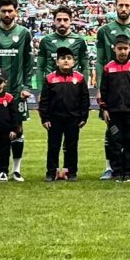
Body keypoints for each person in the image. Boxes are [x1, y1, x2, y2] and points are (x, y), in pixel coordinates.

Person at [95, 0, 130, 180]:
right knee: (110, 129)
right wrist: (99, 89)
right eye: (121, 5)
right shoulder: (105, 30)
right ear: (115, 7)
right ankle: (110, 168)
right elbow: (100, 60)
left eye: (127, 5)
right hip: (111, 91)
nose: (124, 8)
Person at [0, 0, 34, 182]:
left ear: (16, 12)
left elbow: (29, 62)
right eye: (3, 11)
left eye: (10, 10)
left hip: (17, 91)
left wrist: (27, 86)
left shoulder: (24, 33)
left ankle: (16, 169)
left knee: (18, 129)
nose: (7, 14)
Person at [38, 45, 90, 182]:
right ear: (57, 62)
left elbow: (85, 99)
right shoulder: (49, 78)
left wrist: (83, 117)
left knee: (71, 146)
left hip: (73, 119)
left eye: (68, 58)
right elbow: (44, 100)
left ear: (74, 62)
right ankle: (52, 172)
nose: (65, 61)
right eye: (62, 58)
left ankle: (70, 172)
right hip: (54, 119)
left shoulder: (79, 78)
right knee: (53, 146)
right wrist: (44, 118)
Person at [97, 34, 130, 182]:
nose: (122, 51)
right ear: (114, 49)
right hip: (114, 113)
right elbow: (103, 91)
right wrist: (104, 109)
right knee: (115, 141)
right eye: (120, 49)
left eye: (125, 48)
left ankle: (129, 171)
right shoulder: (108, 68)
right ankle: (116, 171)